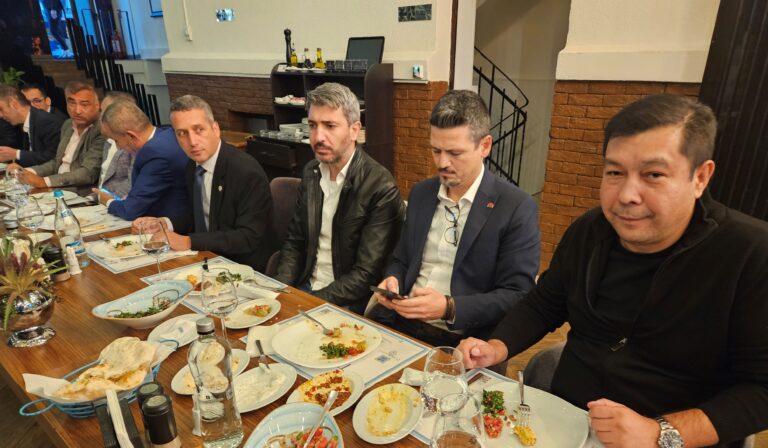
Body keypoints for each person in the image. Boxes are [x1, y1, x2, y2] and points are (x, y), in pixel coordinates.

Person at [457, 94, 768, 447]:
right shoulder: (589, 231)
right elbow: (544, 303)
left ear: (700, 177)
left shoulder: (750, 254)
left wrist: (659, 432)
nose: (626, 195)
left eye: (653, 175)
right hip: (564, 424)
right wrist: (497, 346)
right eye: (615, 173)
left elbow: (761, 389)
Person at [370, 90, 540, 348]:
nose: (442, 163)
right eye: (436, 150)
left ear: (485, 146)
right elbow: (401, 260)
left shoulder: (515, 207)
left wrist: (449, 307)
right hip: (401, 323)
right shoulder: (421, 193)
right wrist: (393, 280)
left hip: (463, 338)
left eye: (455, 153)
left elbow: (517, 295)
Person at [274, 82, 404, 313]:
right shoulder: (311, 172)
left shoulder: (379, 185)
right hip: (304, 289)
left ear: (354, 130)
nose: (318, 137)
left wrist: (306, 302)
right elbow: (295, 243)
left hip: (347, 303)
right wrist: (280, 292)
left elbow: (365, 274)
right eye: (312, 125)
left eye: (330, 126)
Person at [132, 95, 277, 271]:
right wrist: (164, 223)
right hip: (206, 257)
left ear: (215, 129)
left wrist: (188, 241)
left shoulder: (245, 171)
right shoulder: (192, 166)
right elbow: (198, 216)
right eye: (182, 133)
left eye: (199, 129)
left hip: (243, 266)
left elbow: (248, 237)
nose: (192, 142)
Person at [95, 101, 187, 220]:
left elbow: (130, 210)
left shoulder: (154, 154)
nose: (118, 147)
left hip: (169, 225)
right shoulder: (166, 134)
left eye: (116, 140)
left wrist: (108, 201)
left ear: (131, 136)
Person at [8, 81, 105, 190]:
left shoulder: (102, 129)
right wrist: (26, 172)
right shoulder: (68, 124)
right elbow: (56, 163)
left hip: (80, 191)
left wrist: (44, 182)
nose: (77, 110)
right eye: (72, 103)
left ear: (97, 105)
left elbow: (88, 173)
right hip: (56, 187)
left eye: (84, 104)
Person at [0, 84, 64, 166]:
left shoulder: (47, 121)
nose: (0, 115)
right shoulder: (29, 120)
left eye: (1, 109)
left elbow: (53, 159)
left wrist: (16, 154)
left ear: (14, 104)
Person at [95, 91, 136, 198]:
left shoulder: (134, 143)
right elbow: (103, 179)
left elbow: (131, 183)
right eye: (101, 111)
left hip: (117, 201)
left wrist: (106, 199)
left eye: (105, 113)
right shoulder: (107, 140)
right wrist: (92, 198)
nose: (100, 117)